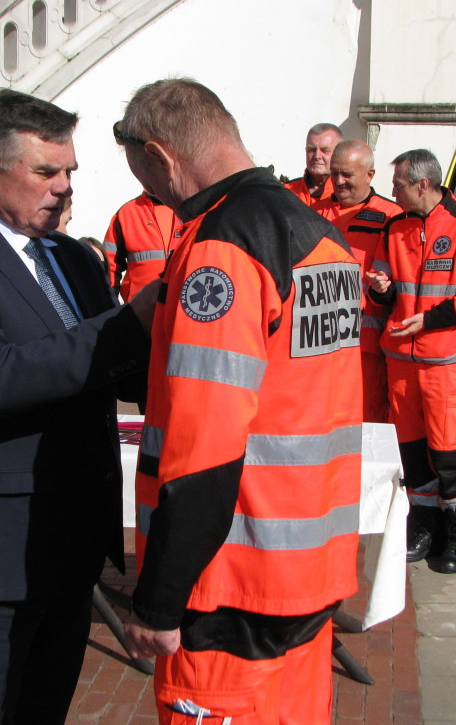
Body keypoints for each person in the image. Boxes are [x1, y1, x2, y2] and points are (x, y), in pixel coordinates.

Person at [0, 89, 156, 724]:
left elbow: (110, 372)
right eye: (46, 172)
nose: (64, 187)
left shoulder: (73, 259)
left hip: (70, 549)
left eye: (69, 170)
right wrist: (132, 323)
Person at [115, 79, 363, 723]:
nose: (152, 194)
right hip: (310, 566)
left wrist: (161, 598)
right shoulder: (317, 233)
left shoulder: (221, 248)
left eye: (145, 175)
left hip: (230, 577)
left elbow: (205, 444)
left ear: (161, 155)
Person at [367, 149, 456, 573]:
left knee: (450, 451)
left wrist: (429, 320)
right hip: (400, 360)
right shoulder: (395, 227)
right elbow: (382, 291)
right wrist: (381, 289)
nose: (392, 192)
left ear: (424, 184)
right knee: (412, 452)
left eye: (398, 184)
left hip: (446, 363)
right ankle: (423, 527)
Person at [314, 140, 400, 422]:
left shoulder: (391, 217)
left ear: (370, 175)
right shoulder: (312, 214)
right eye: (334, 172)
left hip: (367, 347)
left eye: (347, 175)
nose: (338, 181)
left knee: (365, 425)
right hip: (318, 343)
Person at [103, 190, 181, 302]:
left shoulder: (190, 211)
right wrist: (110, 305)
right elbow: (109, 266)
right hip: (139, 310)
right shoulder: (127, 213)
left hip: (181, 308)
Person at [284, 122, 342, 208]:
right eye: (311, 150)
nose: (317, 156)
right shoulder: (287, 191)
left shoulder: (346, 194)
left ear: (339, 153)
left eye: (324, 150)